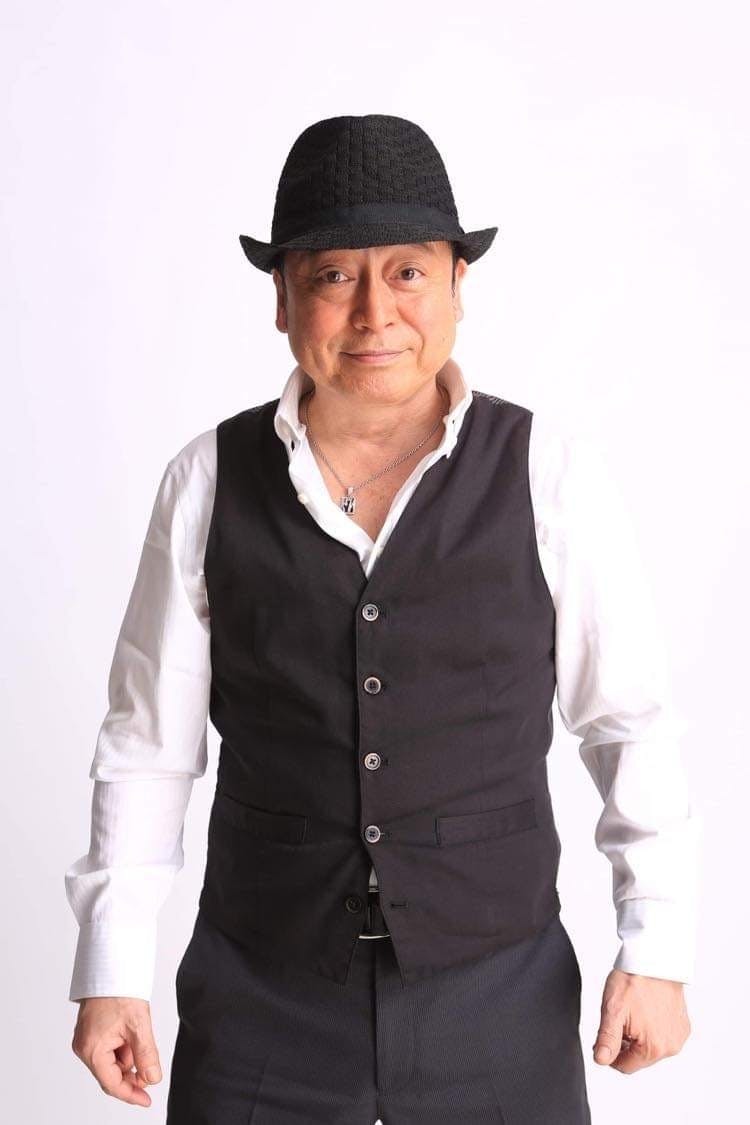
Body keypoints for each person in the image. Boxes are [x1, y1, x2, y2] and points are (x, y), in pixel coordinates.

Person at [66, 114, 700, 1123]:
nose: (375, 313)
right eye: (334, 276)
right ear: (283, 299)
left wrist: (656, 945)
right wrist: (111, 966)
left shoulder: (549, 473)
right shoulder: (207, 480)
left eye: (408, 271)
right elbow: (148, 745)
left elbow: (626, 721)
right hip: (261, 992)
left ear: (456, 286)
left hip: (499, 992)